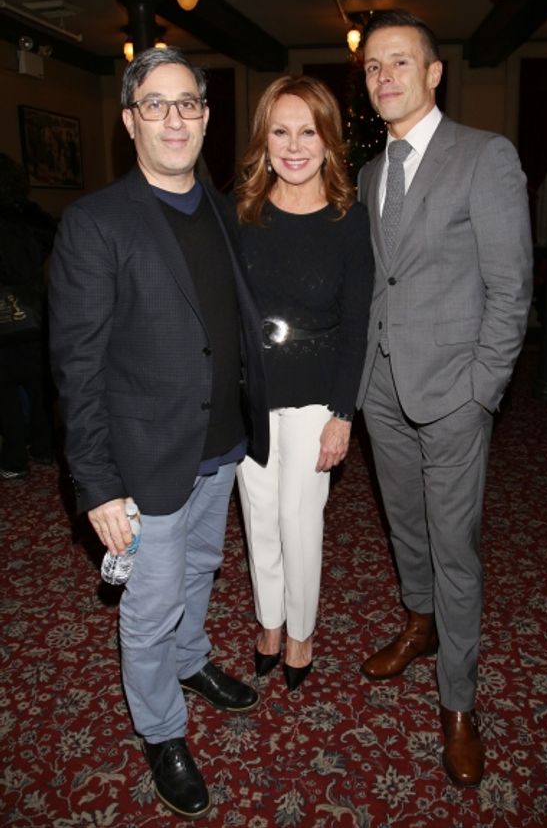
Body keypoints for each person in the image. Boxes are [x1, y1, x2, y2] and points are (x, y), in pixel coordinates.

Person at [49, 47, 269, 820]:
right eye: (156, 104)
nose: (174, 118)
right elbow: (75, 365)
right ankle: (160, 727)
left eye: (188, 104)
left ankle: (191, 659)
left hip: (220, 442)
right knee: (147, 603)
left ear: (206, 118)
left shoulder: (218, 205)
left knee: (203, 568)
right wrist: (98, 482)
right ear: (128, 121)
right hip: (144, 459)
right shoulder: (95, 221)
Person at [356, 11, 532, 787]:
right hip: (382, 390)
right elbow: (378, 283)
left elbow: (511, 288)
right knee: (405, 525)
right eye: (371, 68)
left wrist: (480, 393)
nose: (384, 76)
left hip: (454, 391)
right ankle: (419, 622)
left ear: (434, 73)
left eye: (399, 62)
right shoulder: (369, 173)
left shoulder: (484, 157)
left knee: (455, 546)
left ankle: (458, 701)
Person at [234, 76, 373, 691]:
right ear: (264, 141)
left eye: (307, 132)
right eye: (280, 131)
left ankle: (300, 632)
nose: (294, 147)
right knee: (258, 514)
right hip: (253, 390)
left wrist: (344, 412)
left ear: (328, 141)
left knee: (299, 518)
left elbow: (359, 324)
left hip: (318, 394)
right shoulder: (242, 212)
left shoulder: (349, 219)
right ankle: (268, 620)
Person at [0, 153, 55, 480]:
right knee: (38, 384)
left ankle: (15, 458)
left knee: (5, 390)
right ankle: (45, 447)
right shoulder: (32, 216)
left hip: (4, 316)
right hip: (35, 307)